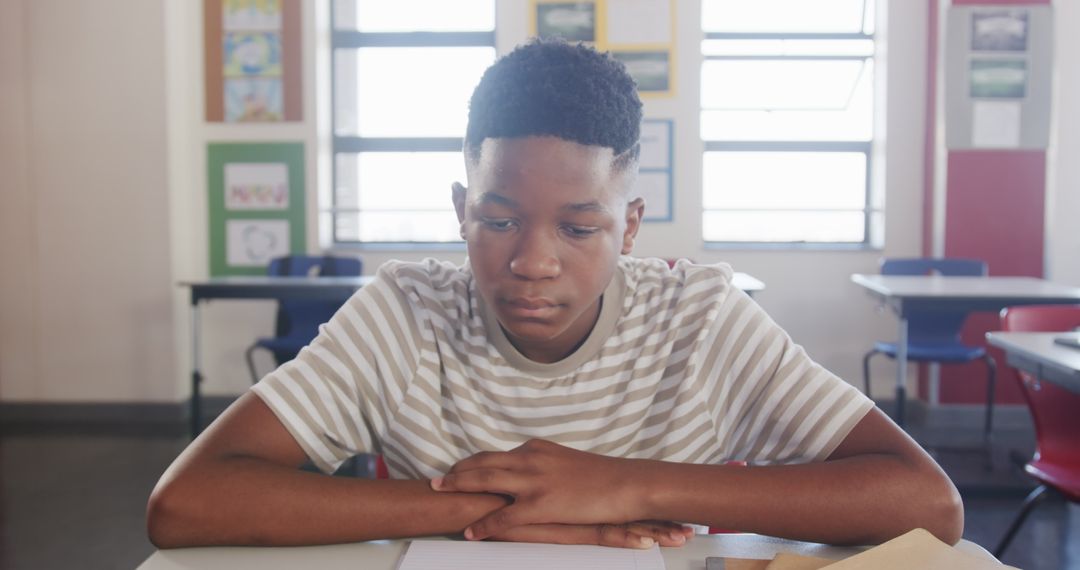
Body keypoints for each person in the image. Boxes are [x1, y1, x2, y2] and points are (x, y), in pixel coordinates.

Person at [147, 39, 963, 550]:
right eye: (499, 221)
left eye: (579, 229)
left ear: (630, 225)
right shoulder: (409, 313)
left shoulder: (700, 319)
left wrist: (625, 482)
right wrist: (499, 509)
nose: (534, 263)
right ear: (462, 212)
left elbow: (929, 505)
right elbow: (186, 504)